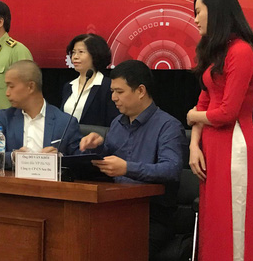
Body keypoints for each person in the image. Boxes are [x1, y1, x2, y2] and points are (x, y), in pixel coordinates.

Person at [80, 60, 187, 260]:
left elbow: (171, 169)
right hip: (115, 208)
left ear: (140, 91)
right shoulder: (117, 123)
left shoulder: (168, 126)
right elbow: (111, 161)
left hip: (151, 216)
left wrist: (127, 168)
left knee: (118, 251)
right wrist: (97, 148)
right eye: (112, 92)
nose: (113, 98)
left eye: (119, 92)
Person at [186, 0, 253, 261]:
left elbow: (227, 112)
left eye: (198, 12)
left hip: (234, 148)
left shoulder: (241, 51)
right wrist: (194, 145)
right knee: (214, 224)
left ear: (215, 11)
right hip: (211, 148)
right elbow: (204, 100)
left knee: (233, 224)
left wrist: (192, 117)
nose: (195, 19)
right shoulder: (216, 52)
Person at [0, 60, 82, 168]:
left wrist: (59, 158)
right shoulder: (4, 118)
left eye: (11, 86)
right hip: (14, 178)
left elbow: (79, 162)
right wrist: (13, 156)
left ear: (31, 87)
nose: (7, 93)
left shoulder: (65, 122)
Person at [61, 33, 119, 126]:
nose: (75, 56)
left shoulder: (107, 86)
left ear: (95, 55)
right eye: (73, 52)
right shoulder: (68, 86)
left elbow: (114, 122)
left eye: (81, 52)